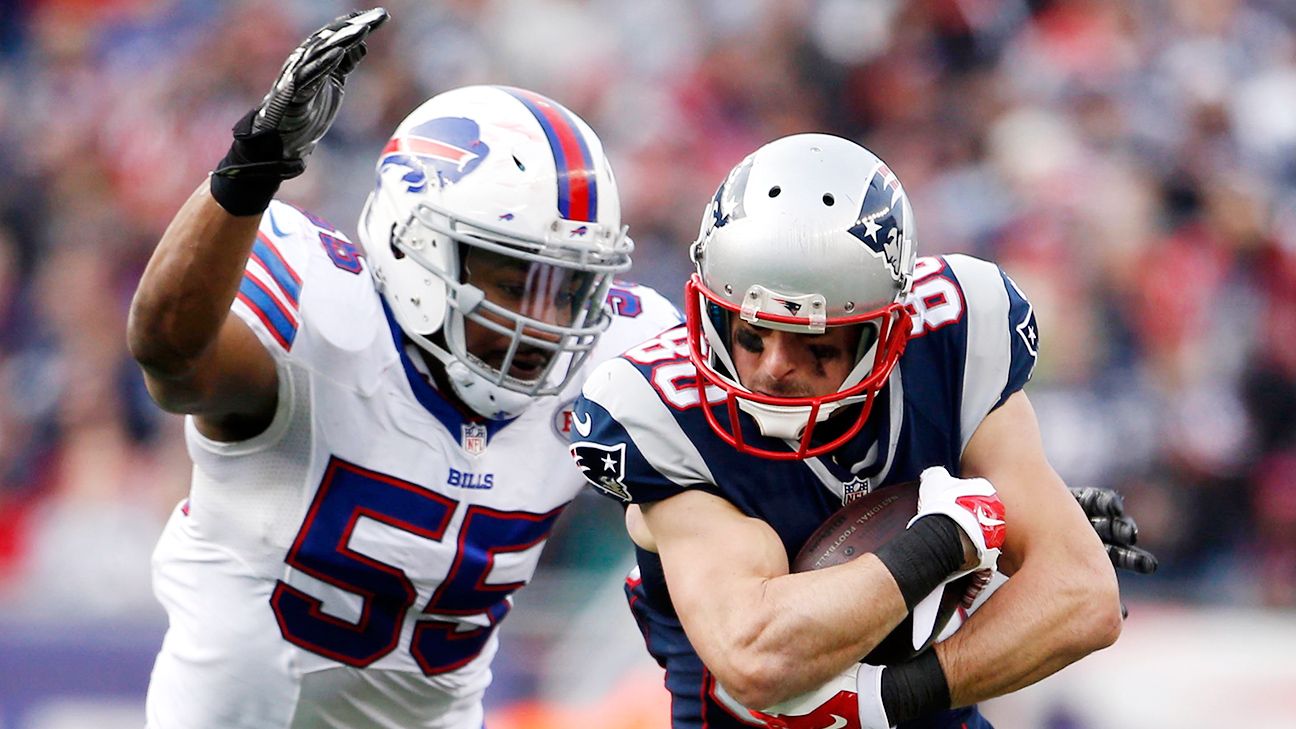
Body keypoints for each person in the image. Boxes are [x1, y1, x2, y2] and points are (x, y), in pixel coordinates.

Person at [127, 9, 680, 729]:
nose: (545, 321)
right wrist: (247, 174)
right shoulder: (322, 317)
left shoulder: (618, 354)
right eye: (516, 283)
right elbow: (171, 356)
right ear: (412, 247)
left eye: (568, 288)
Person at [569, 133, 1155, 729]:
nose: (773, 367)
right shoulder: (662, 411)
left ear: (886, 333)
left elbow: (1083, 597)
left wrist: (894, 696)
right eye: (749, 334)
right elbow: (759, 654)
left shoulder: (953, 341)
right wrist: (945, 541)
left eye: (815, 344)